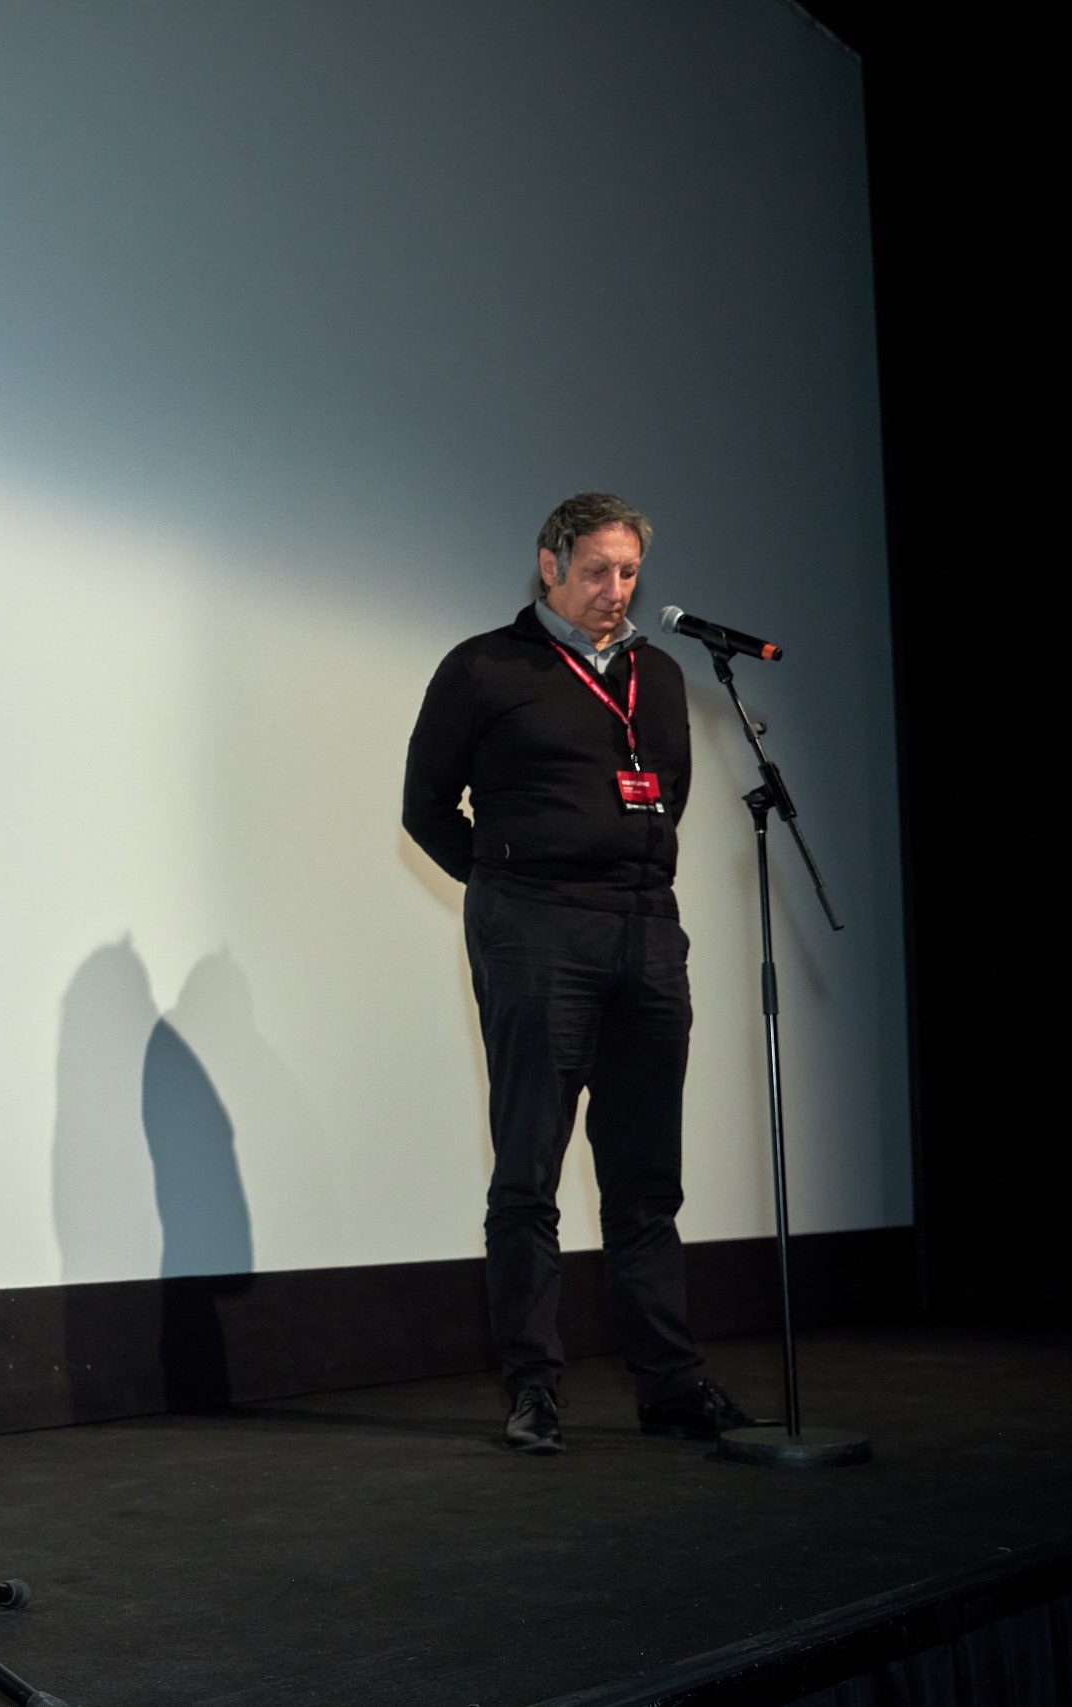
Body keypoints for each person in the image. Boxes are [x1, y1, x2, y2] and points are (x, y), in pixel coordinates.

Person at [401, 493, 766, 1455]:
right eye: (598, 570)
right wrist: (512, 881)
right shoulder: (485, 666)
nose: (616, 591)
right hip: (536, 935)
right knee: (528, 1170)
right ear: (549, 565)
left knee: (647, 1179)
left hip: (645, 934)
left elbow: (670, 795)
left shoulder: (660, 671)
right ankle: (534, 1386)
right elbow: (427, 807)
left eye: (630, 572)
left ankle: (671, 1384)